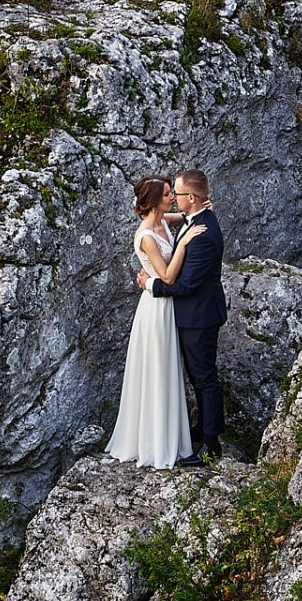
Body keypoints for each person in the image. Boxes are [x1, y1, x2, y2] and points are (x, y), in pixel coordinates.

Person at [138, 168, 229, 467]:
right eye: (169, 194)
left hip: (199, 316)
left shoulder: (201, 235)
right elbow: (165, 219)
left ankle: (211, 443)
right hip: (190, 315)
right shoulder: (195, 219)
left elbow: (186, 284)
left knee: (204, 378)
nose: (173, 198)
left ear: (190, 197)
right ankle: (203, 429)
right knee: (197, 376)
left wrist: (150, 284)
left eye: (176, 193)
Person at [106, 176, 196, 468]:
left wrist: (197, 209)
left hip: (166, 306)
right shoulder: (146, 235)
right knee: (158, 371)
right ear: (156, 199)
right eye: (168, 193)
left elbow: (182, 215)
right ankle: (156, 445)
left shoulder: (161, 219)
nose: (173, 196)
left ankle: (169, 436)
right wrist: (184, 243)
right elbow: (167, 276)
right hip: (156, 309)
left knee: (168, 370)